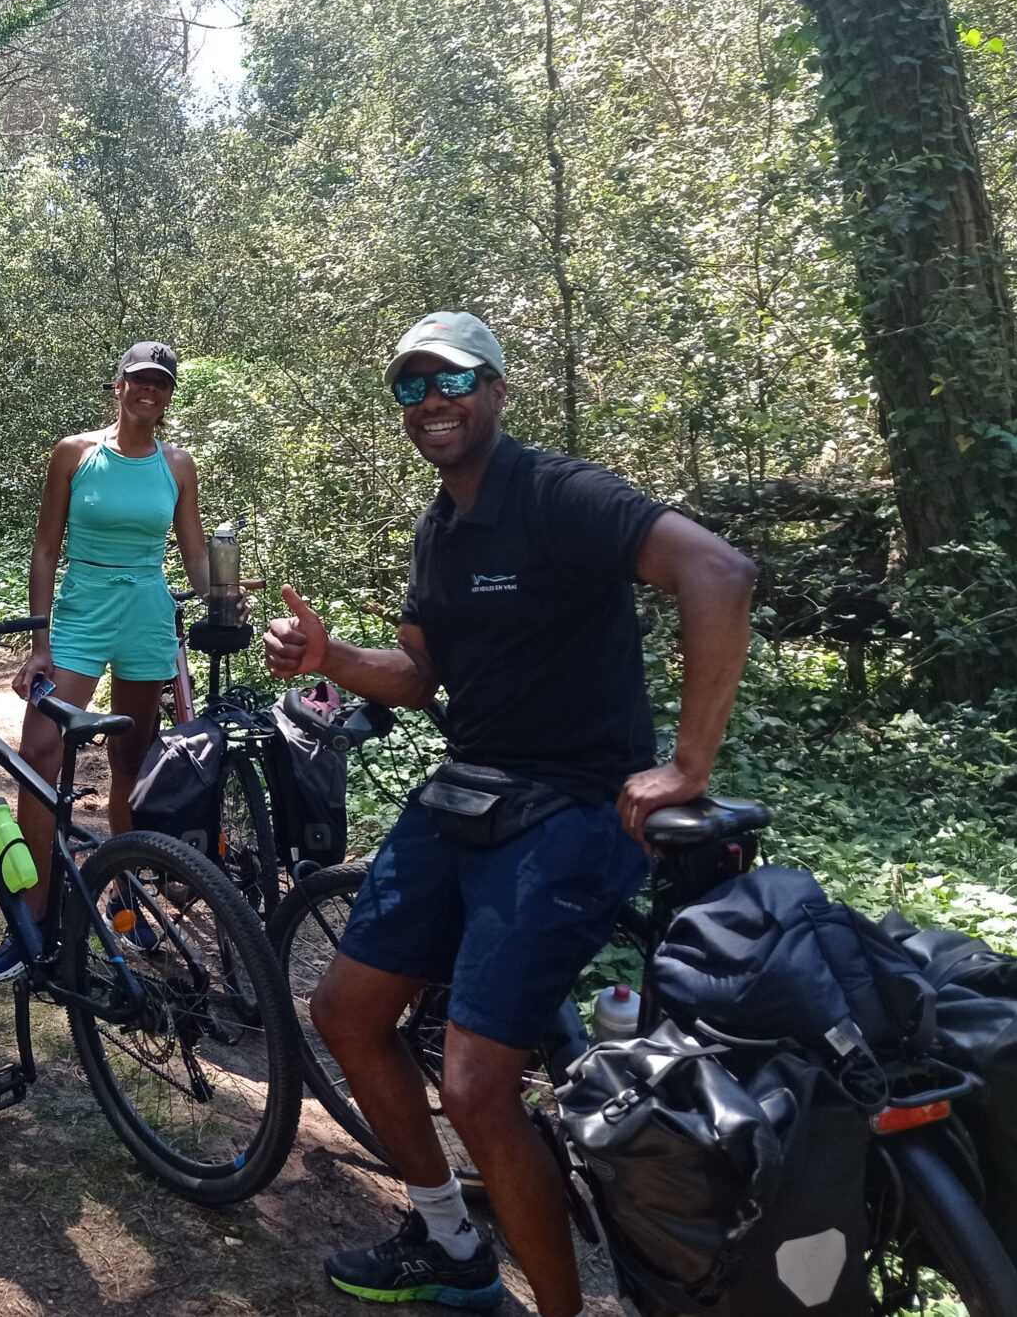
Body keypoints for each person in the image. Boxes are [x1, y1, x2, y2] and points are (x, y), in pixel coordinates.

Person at [265, 313, 757, 1313]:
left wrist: (685, 764)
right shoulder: (438, 530)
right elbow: (417, 673)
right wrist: (330, 658)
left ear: (493, 388)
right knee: (346, 1012)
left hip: (573, 809)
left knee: (479, 1084)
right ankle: (448, 1239)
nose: (429, 402)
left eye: (447, 379)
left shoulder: (561, 495)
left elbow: (719, 572)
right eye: (409, 387)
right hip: (470, 790)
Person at [0, 341, 217, 985]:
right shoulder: (76, 453)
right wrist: (41, 641)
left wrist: (221, 588)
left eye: (162, 384)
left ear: (169, 394)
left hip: (146, 612)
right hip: (80, 610)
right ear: (119, 385)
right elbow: (46, 547)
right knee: (41, 751)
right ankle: (34, 917)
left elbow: (191, 553)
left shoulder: (178, 464)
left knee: (132, 760)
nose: (151, 393)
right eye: (140, 380)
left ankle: (127, 887)